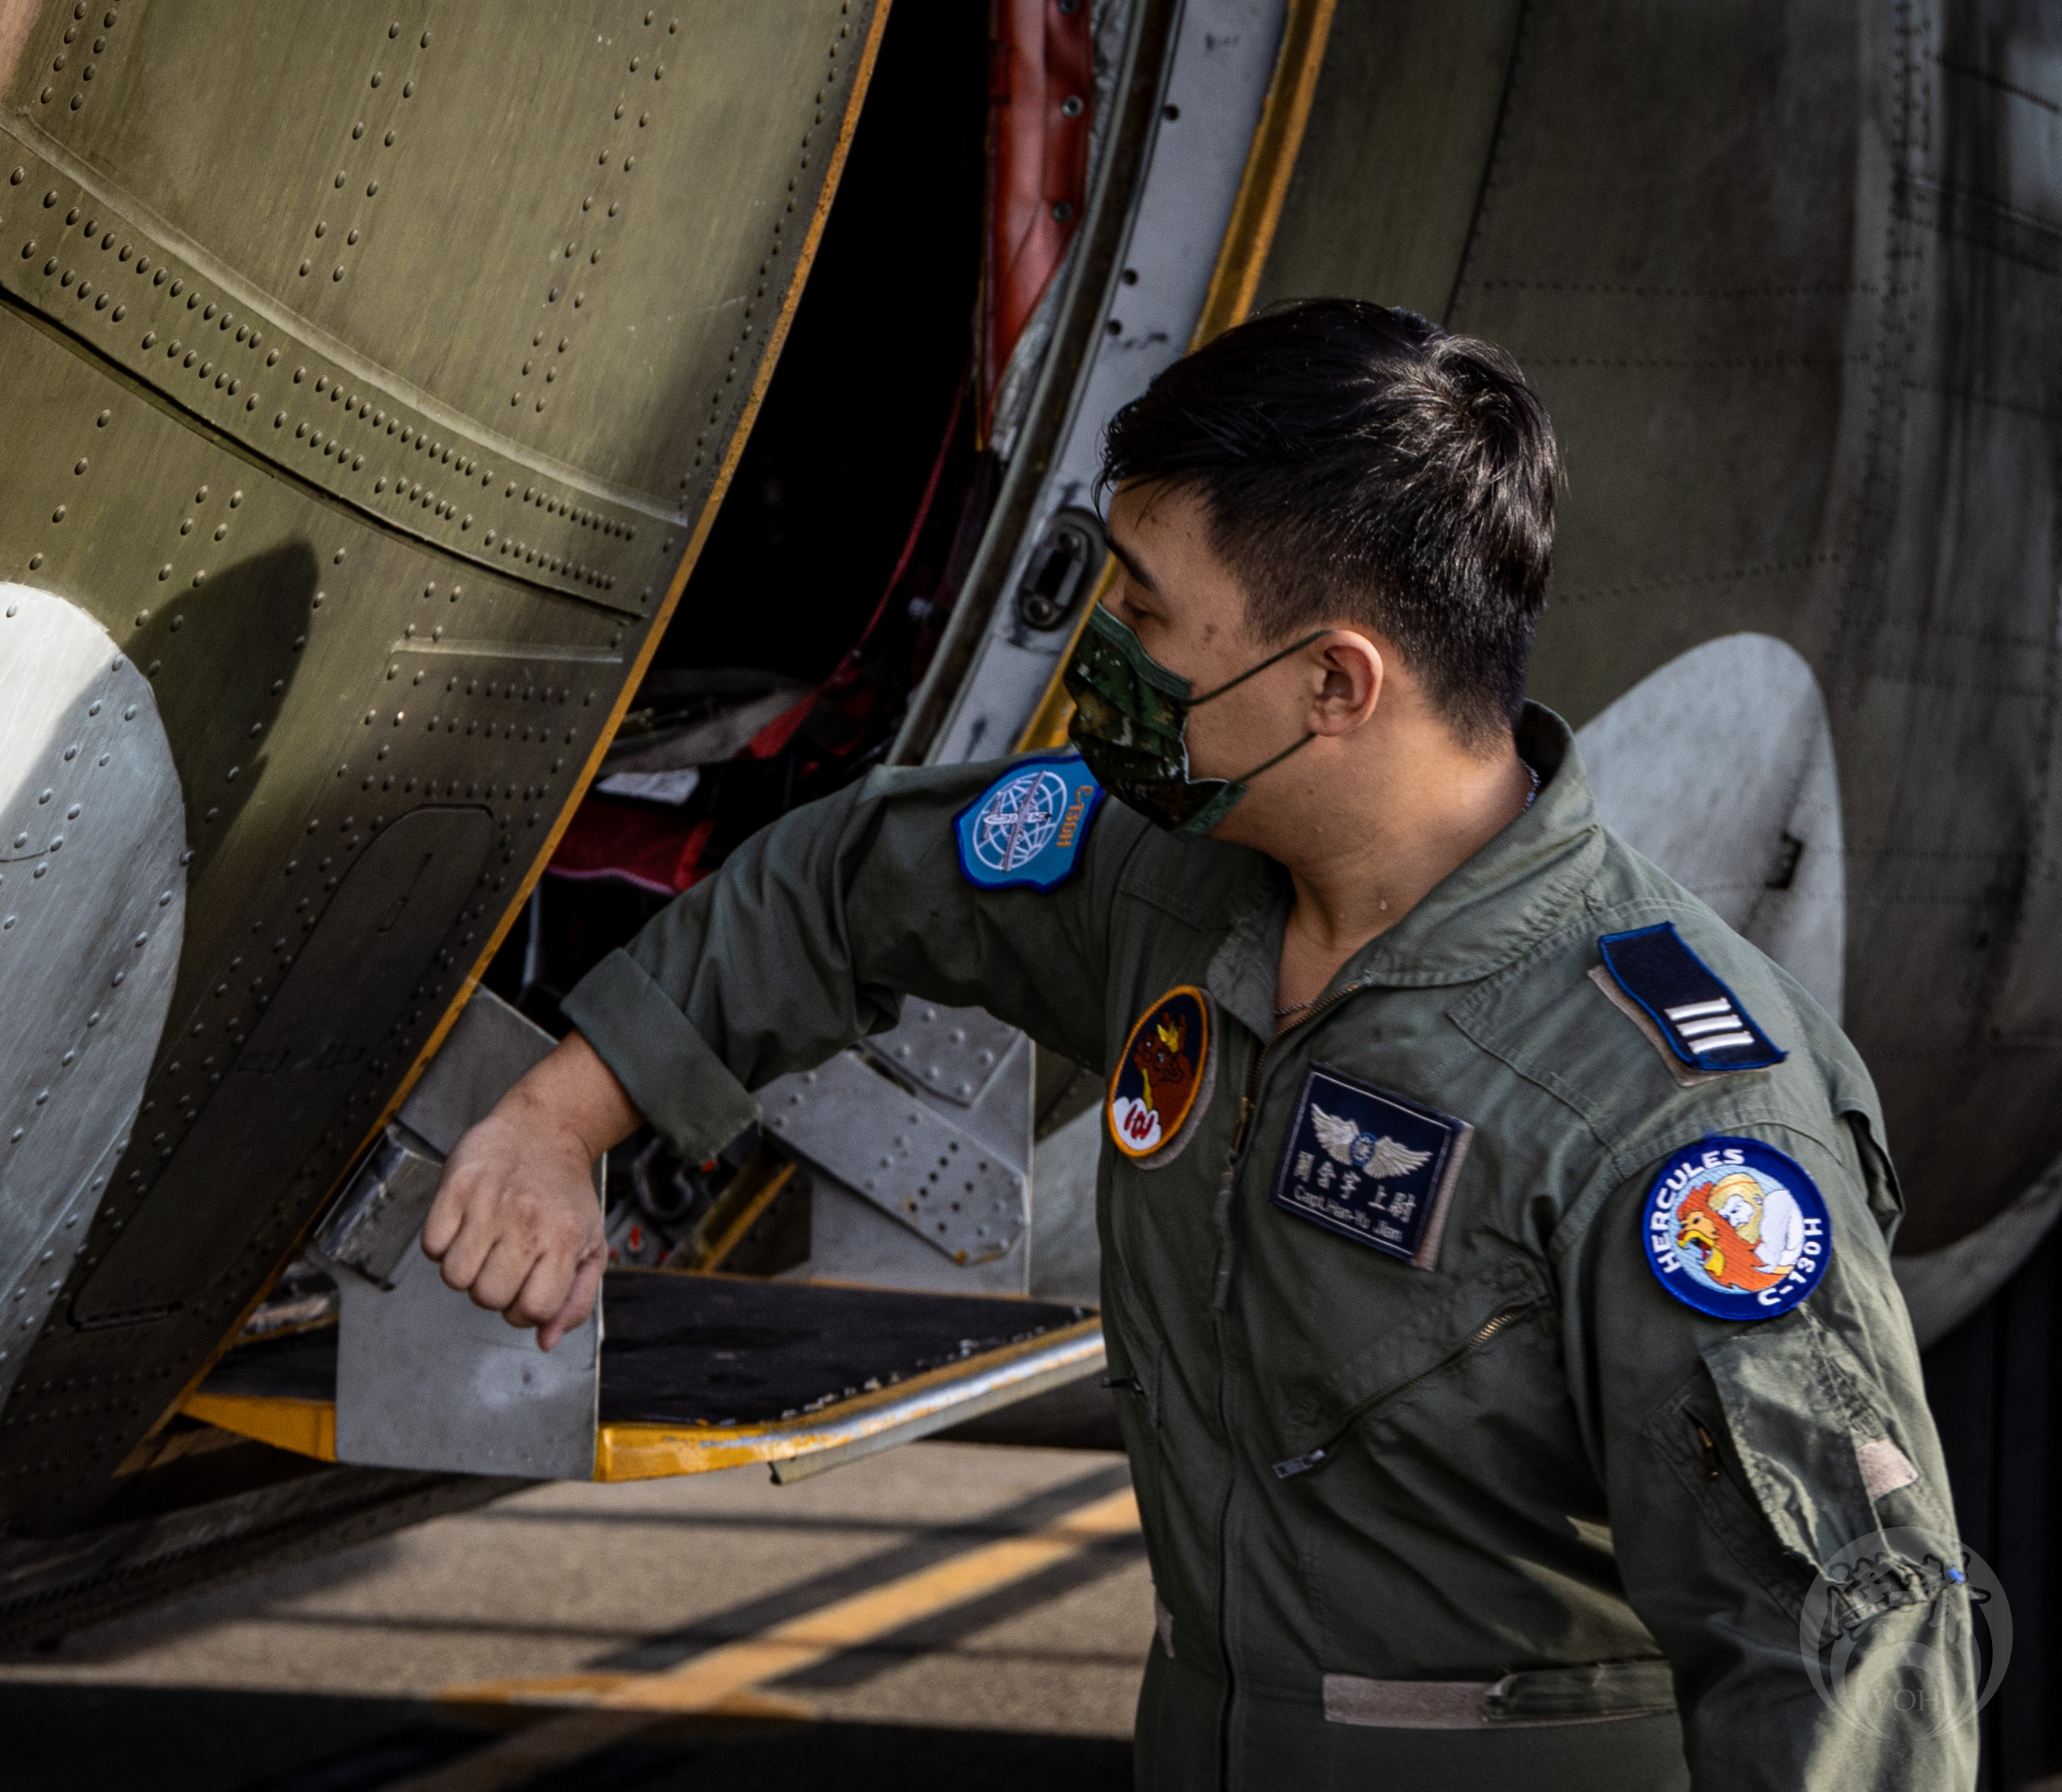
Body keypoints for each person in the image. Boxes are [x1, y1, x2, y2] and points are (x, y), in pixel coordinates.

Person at [418, 299, 1976, 1789]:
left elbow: (1842, 1645)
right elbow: (849, 885)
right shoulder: (1162, 879)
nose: (1109, 653)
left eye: (1148, 614)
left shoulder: (1671, 1116)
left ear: (1332, 682)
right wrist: (561, 1118)